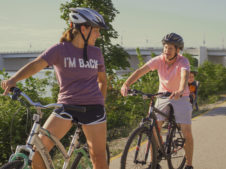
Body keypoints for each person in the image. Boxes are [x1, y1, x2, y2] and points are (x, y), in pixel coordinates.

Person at [1, 7, 109, 169]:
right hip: (66, 106)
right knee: (38, 153)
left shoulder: (96, 52)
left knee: (98, 157)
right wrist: (13, 79)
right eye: (96, 30)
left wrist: (100, 101)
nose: (98, 35)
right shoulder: (59, 50)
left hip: (93, 109)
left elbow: (102, 81)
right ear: (83, 29)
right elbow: (36, 65)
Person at [121, 33, 194, 169]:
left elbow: (184, 76)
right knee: (154, 127)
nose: (167, 51)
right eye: (165, 47)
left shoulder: (183, 61)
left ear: (178, 50)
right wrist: (126, 84)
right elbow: (140, 71)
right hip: (163, 95)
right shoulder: (158, 60)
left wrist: (179, 90)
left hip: (180, 96)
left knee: (186, 131)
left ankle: (189, 165)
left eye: (170, 48)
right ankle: (155, 160)